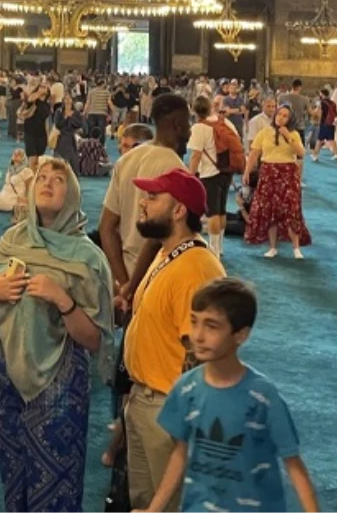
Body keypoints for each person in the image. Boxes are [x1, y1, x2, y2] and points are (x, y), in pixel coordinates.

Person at [0, 158, 113, 512]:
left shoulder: (88, 258)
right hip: (5, 376)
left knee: (57, 486)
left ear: (72, 195)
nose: (47, 183)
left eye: (58, 180)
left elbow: (95, 340)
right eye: (42, 177)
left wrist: (63, 300)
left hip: (59, 385)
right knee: (14, 476)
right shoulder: (12, 239)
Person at [136, 278, 318, 513]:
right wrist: (154, 510)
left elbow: (293, 464)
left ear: (240, 335)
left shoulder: (263, 396)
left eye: (211, 326)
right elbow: (180, 453)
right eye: (194, 322)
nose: (198, 336)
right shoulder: (186, 389)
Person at [122, 168, 225, 511]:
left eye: (153, 198)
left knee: (166, 506)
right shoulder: (171, 253)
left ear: (179, 210)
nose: (143, 203)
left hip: (167, 411)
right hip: (145, 400)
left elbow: (204, 357)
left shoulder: (196, 269)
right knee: (144, 502)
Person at [102, 93, 191, 297]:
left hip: (127, 272)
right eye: (188, 124)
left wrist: (124, 283)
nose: (190, 131)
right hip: (158, 278)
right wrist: (133, 288)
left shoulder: (126, 160)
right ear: (178, 125)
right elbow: (155, 240)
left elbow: (106, 228)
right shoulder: (176, 169)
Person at [243, 104, 311, 258]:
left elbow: (301, 153)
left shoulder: (293, 134)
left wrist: (288, 135)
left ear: (290, 119)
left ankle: (296, 248)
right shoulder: (264, 133)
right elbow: (254, 153)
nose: (281, 117)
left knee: (291, 209)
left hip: (288, 173)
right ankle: (273, 247)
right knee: (270, 209)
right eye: (279, 114)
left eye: (285, 115)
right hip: (268, 173)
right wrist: (247, 171)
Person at [186, 96, 237, 256]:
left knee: (212, 213)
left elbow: (196, 155)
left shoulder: (199, 128)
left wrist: (190, 175)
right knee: (222, 210)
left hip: (209, 173)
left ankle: (213, 250)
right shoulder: (225, 122)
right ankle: (219, 246)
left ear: (194, 110)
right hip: (226, 171)